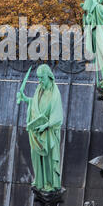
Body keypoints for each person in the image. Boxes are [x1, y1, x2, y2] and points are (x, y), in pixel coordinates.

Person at [17, 64, 63, 192]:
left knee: (48, 159)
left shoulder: (55, 93)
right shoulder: (40, 88)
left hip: (48, 134)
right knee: (36, 157)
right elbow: (35, 105)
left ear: (48, 76)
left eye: (42, 78)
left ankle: (49, 182)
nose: (40, 81)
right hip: (36, 132)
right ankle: (40, 180)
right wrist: (25, 99)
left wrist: (46, 125)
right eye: (38, 78)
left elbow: (58, 116)